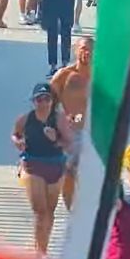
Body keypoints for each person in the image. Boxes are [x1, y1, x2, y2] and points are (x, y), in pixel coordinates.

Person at [12, 82, 75, 256]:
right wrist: (18, 142)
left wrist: (56, 139)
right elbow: (15, 134)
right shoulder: (25, 119)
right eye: (39, 99)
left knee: (49, 211)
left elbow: (69, 143)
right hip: (32, 165)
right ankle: (40, 253)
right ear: (34, 101)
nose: (43, 103)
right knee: (40, 211)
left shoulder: (59, 119)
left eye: (46, 99)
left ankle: (42, 247)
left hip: (55, 165)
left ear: (52, 101)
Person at [50, 37, 92, 210]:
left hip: (94, 131)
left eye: (90, 49)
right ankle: (72, 210)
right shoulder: (64, 75)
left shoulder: (102, 77)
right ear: (76, 50)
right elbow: (48, 103)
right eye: (82, 48)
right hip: (72, 130)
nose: (86, 52)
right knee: (70, 171)